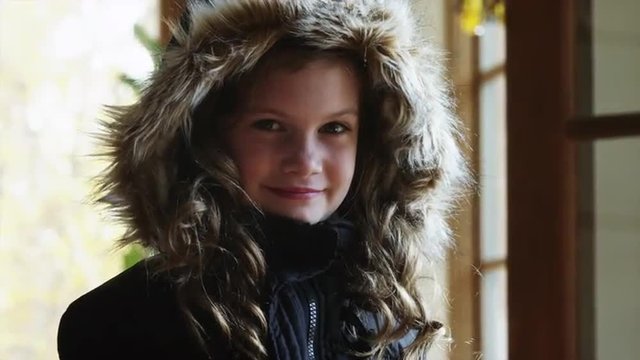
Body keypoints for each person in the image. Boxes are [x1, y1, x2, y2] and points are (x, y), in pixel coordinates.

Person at [57, 0, 468, 359]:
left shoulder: (388, 321)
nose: (305, 161)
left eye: (334, 129)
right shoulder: (119, 324)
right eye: (269, 125)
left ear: (373, 141)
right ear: (208, 134)